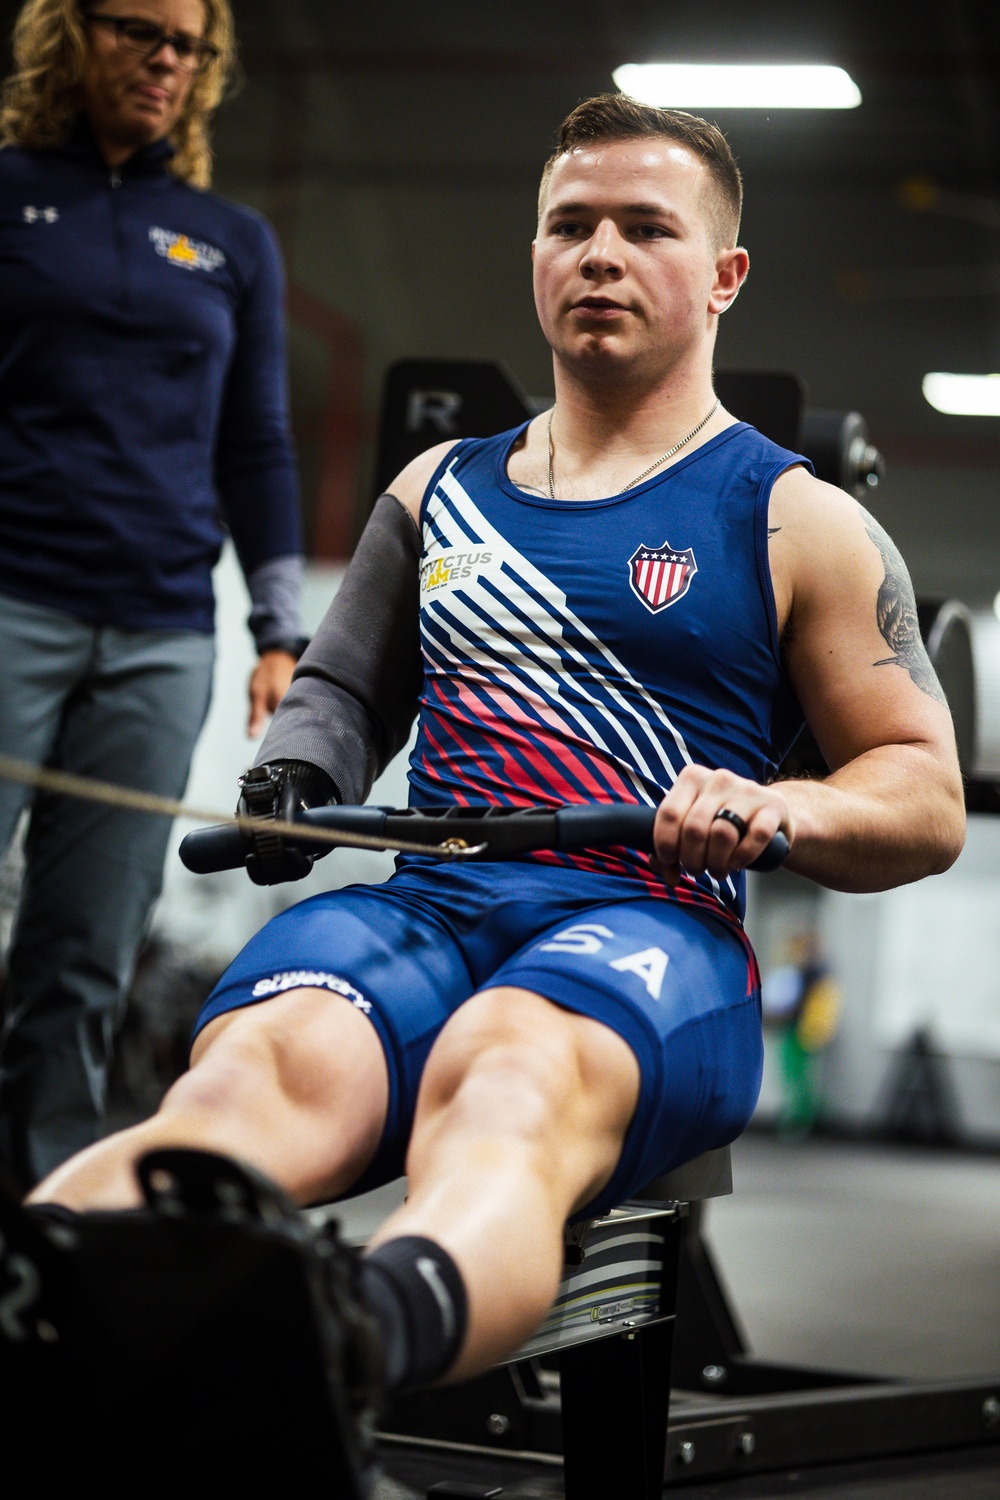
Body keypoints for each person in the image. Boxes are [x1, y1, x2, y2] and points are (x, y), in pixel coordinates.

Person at [26, 92, 964, 1436]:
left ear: (724, 276)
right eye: (570, 225)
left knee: (506, 1071)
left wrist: (777, 803)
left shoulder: (797, 519)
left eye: (647, 228)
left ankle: (348, 1342)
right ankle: (41, 1291)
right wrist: (295, 775)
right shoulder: (436, 488)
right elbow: (343, 688)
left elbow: (923, 793)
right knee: (254, 1073)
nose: (601, 253)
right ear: (534, 255)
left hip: (649, 927)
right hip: (426, 902)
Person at [0, 0, 306, 1189]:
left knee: (83, 954)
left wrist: (280, 631)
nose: (166, 60)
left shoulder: (229, 241)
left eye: (189, 45)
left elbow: (259, 445)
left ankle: (41, 1219)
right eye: (140, 30)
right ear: (68, 34)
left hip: (161, 637)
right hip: (12, 602)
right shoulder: (12, 190)